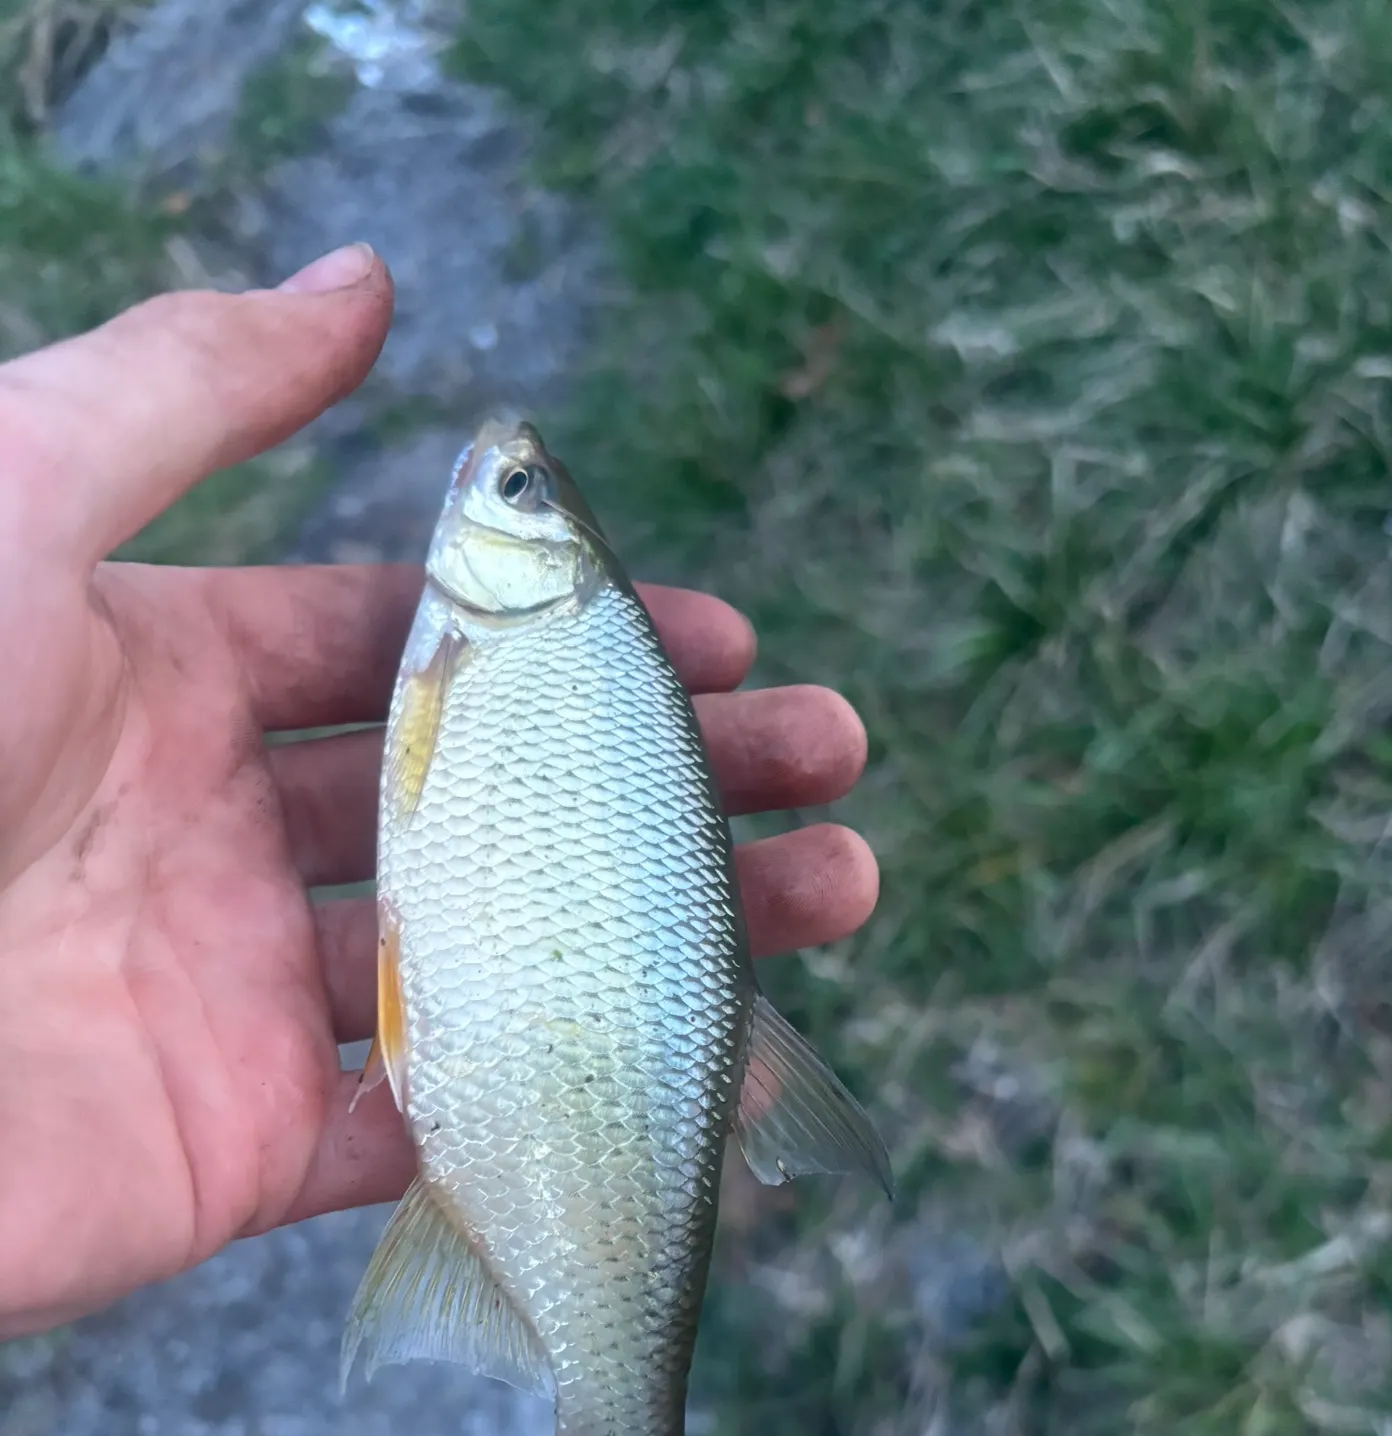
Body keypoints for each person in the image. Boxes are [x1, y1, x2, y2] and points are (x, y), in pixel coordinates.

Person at [0, 244, 879, 1341]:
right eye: (524, 486)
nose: (497, 473)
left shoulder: (530, 642)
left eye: (520, 490)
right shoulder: (537, 641)